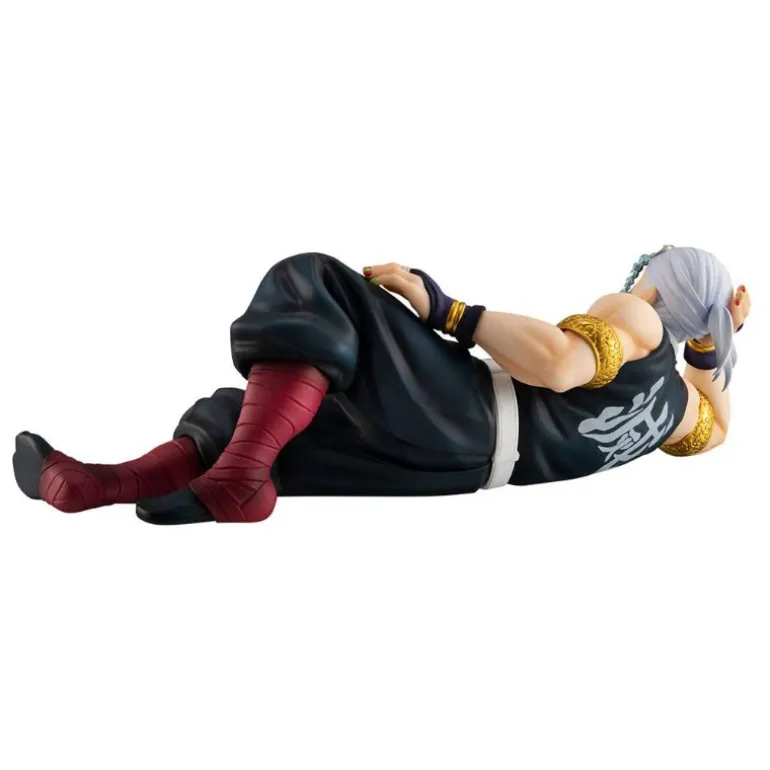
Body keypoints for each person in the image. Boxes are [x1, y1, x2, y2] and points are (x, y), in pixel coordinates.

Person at [12, 247, 750, 525]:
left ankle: (234, 483)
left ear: (660, 287)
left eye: (651, 265)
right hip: (459, 472)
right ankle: (99, 485)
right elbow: (718, 427)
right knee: (248, 423)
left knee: (315, 286)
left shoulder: (635, 318)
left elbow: (558, 364)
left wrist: (449, 311)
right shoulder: (677, 409)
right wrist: (713, 340)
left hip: (467, 414)